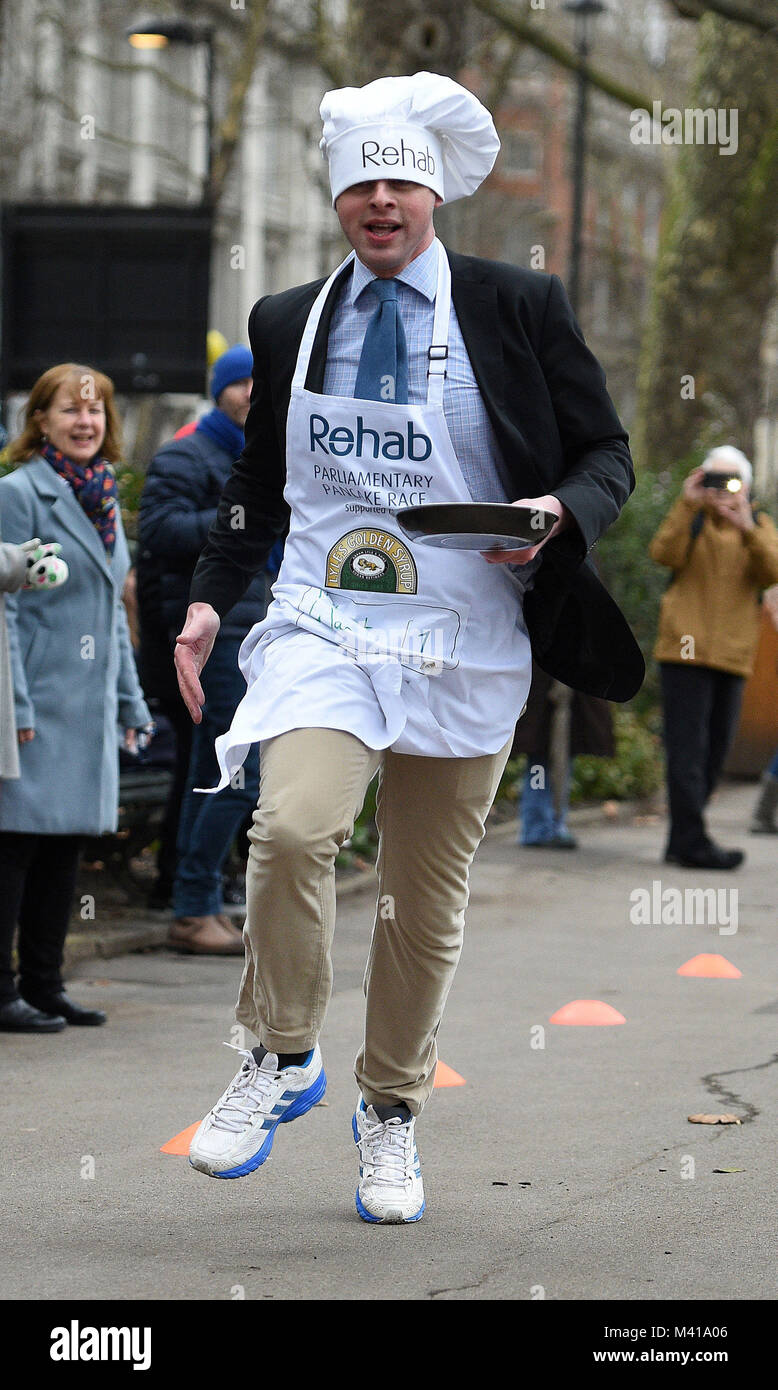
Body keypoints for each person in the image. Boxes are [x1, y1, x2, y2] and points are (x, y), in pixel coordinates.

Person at [175, 72, 643, 1223]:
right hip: (327, 620)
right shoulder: (288, 319)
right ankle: (281, 1051)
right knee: (291, 826)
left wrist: (555, 515)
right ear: (338, 199)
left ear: (432, 194)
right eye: (360, 184)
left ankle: (389, 1112)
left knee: (420, 906)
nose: (380, 201)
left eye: (400, 182)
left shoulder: (517, 305)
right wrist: (205, 597)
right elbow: (255, 480)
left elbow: (605, 455)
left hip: (466, 634)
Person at [0, 363, 151, 1032]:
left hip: (86, 702)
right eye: (70, 410)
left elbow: (114, 614)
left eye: (95, 411)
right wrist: (16, 706)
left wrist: (131, 700)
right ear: (40, 420)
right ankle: (3, 992)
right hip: (33, 703)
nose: (86, 422)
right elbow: (1, 608)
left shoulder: (104, 499)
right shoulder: (18, 492)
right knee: (14, 849)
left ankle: (44, 981)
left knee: (64, 851)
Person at [137, 347, 268, 949]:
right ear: (218, 390)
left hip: (260, 624)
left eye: (258, 383)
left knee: (212, 768)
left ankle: (198, 903)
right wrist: (236, 515)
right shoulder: (185, 455)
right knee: (240, 767)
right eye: (238, 382)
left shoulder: (269, 454)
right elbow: (160, 532)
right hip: (214, 630)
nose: (249, 392)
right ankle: (194, 904)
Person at [650, 446, 778, 869]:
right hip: (684, 651)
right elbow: (662, 553)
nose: (722, 489)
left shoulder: (758, 525)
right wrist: (688, 503)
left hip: (733, 654)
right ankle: (693, 842)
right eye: (714, 479)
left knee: (715, 751)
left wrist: (746, 525)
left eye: (731, 480)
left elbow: (774, 570)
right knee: (687, 750)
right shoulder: (693, 518)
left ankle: (682, 839)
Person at [513, 663, 614, 848]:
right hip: (545, 686)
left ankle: (549, 823)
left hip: (565, 686)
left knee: (557, 758)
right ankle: (538, 826)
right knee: (540, 761)